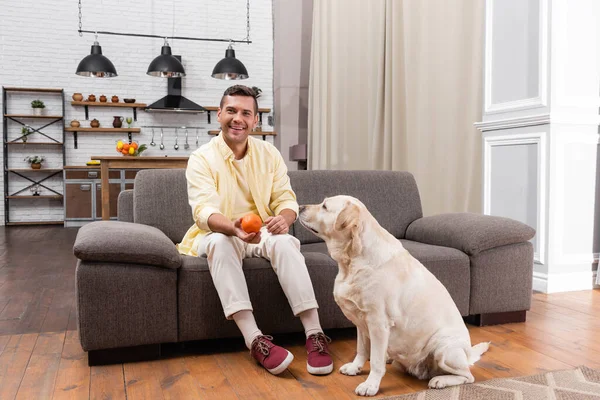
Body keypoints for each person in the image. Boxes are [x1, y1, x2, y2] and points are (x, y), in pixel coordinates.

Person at [177, 85, 333, 376]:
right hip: (220, 233)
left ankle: (315, 334)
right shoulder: (201, 158)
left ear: (255, 121)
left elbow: (286, 200)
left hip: (261, 231)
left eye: (246, 113)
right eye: (232, 111)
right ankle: (255, 340)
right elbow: (203, 212)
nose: (238, 118)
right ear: (219, 114)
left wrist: (285, 220)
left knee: (286, 243)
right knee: (220, 244)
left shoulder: (268, 154)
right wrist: (233, 228)